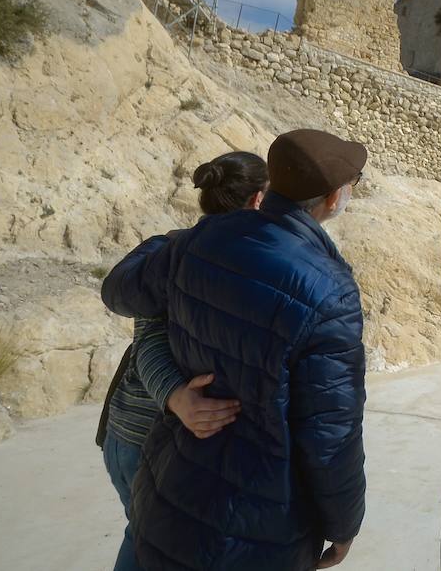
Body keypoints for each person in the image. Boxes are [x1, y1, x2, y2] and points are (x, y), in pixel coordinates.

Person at [102, 129, 370, 571]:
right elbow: (330, 431)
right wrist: (343, 523)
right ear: (332, 198)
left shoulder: (194, 241)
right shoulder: (330, 290)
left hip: (174, 487)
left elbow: (121, 293)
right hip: (259, 523)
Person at [96, 152, 265, 571]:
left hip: (123, 434)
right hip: (157, 439)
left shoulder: (167, 248)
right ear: (259, 201)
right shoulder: (188, 257)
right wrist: (176, 397)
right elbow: (149, 338)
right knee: (151, 545)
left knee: (145, 538)